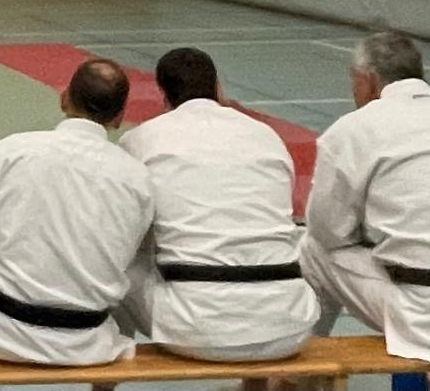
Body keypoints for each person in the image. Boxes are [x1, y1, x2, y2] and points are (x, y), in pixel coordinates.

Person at [117, 48, 319, 361]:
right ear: (218, 87)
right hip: (289, 326)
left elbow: (125, 229)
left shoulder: (141, 139)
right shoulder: (267, 137)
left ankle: (107, 373)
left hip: (194, 328)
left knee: (120, 255)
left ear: (163, 96)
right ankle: (258, 382)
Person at [0, 58, 153, 366]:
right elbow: (126, 259)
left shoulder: (11, 151)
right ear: (119, 117)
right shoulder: (137, 177)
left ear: (64, 99)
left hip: (2, 333)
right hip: (89, 341)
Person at [301, 31, 430, 362]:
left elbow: (328, 230)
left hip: (419, 309)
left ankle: (292, 377)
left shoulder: (355, 128)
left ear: (369, 81)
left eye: (354, 81)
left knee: (315, 249)